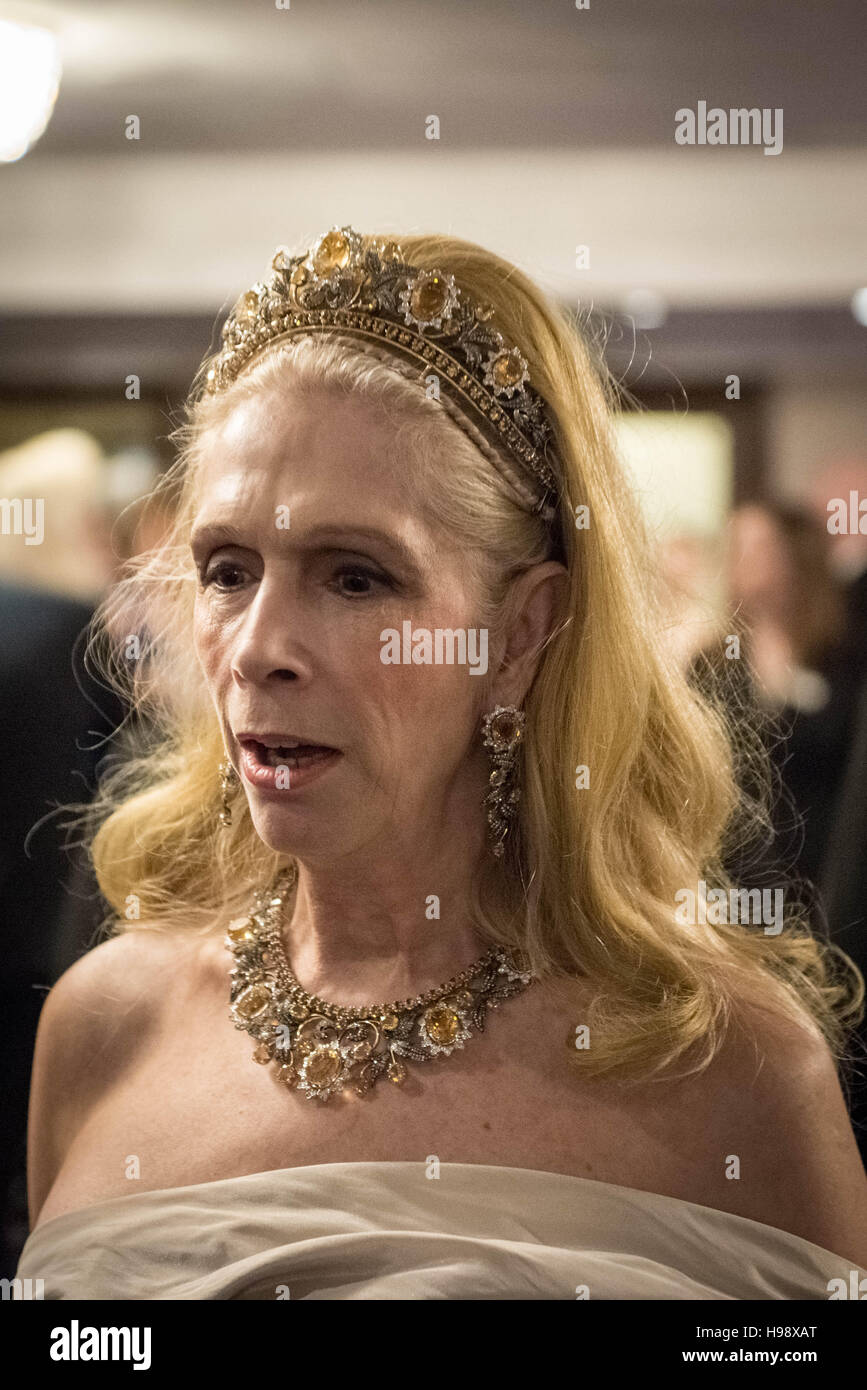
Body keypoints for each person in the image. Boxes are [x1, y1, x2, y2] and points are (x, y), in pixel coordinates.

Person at [15, 227, 867, 1300]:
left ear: (519, 635)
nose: (261, 647)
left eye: (357, 578)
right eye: (228, 569)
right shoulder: (102, 1027)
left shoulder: (732, 1069)